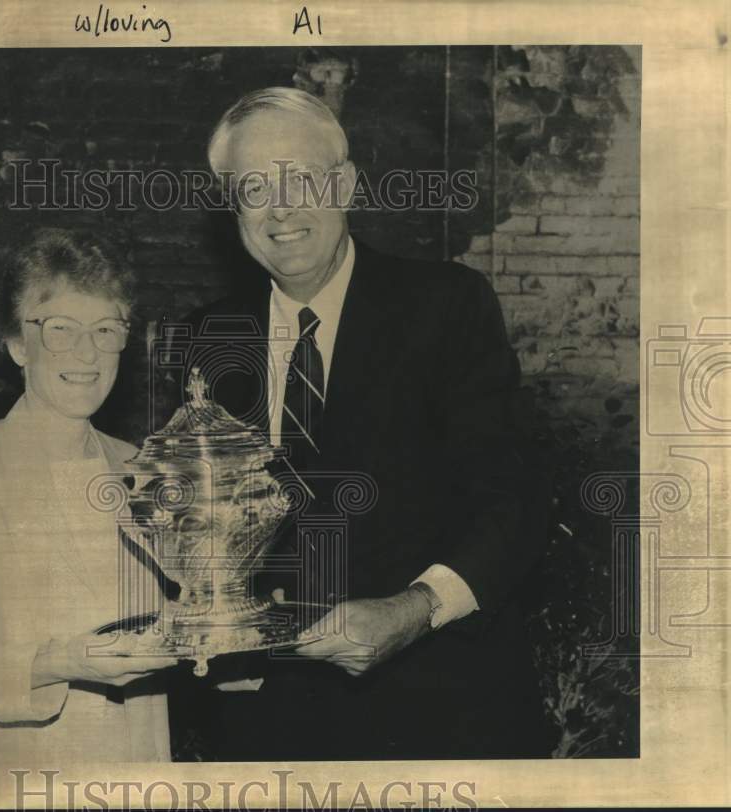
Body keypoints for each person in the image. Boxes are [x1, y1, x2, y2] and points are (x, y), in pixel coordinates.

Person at [165, 87, 555, 760]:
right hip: (272, 728)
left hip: (441, 716)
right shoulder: (210, 336)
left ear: (344, 184)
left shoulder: (446, 307)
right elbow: (207, 525)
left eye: (301, 179)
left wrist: (415, 609)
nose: (280, 209)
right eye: (255, 187)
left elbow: (515, 503)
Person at [0, 228, 176, 767]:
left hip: (136, 765)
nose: (87, 351)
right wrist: (60, 662)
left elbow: (168, 616)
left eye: (106, 329)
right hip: (14, 767)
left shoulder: (142, 470)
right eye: (60, 329)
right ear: (15, 344)